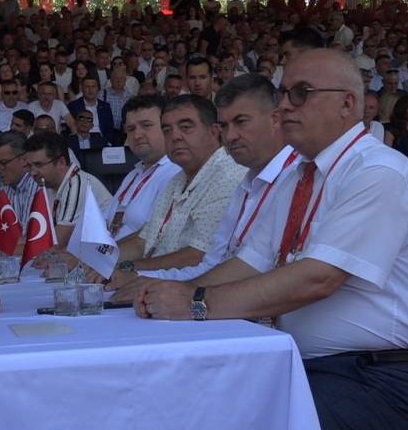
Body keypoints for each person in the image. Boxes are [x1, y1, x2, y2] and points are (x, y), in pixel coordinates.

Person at [133, 49, 408, 430]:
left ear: (348, 103)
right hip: (299, 364)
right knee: (173, 400)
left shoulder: (377, 172)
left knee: (211, 427)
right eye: (283, 93)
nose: (284, 106)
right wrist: (179, 294)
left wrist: (195, 304)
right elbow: (248, 262)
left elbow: (319, 278)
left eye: (301, 93)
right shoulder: (299, 176)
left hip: (377, 381)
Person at [112, 75, 296, 296]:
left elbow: (201, 257)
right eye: (167, 130)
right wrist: (151, 282)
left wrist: (184, 296)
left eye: (241, 122)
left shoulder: (237, 175)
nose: (231, 136)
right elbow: (213, 263)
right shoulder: (244, 183)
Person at [107, 95, 246, 277]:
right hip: (151, 280)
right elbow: (143, 241)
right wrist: (100, 263)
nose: (175, 136)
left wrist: (127, 269)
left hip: (186, 287)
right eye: (167, 130)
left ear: (213, 132)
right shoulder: (177, 180)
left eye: (185, 127)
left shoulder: (227, 176)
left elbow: (197, 255)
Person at [103, 95, 181, 241]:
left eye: (146, 125)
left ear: (166, 128)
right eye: (131, 129)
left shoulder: (177, 174)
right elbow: (106, 219)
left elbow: (156, 239)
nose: (137, 135)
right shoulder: (133, 174)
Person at [24, 132, 111, 248]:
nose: (32, 173)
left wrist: (8, 251)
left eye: (38, 165)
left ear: (61, 163)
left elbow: (57, 243)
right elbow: (36, 235)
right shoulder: (48, 184)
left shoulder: (77, 185)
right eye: (29, 166)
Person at [0, 131, 38, 238]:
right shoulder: (5, 188)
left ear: (24, 159)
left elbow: (29, 239)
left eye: (3, 163)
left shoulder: (38, 187)